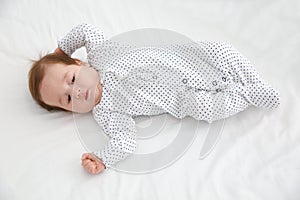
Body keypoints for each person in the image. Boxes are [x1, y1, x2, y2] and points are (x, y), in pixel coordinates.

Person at [28, 23, 280, 175]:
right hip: (186, 98)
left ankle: (251, 80)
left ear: (77, 62)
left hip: (189, 61)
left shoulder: (101, 54)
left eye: (71, 79)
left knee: (219, 50)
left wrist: (58, 52)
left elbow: (85, 29)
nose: (77, 92)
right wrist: (102, 158)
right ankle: (251, 93)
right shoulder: (106, 113)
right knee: (206, 109)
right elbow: (125, 141)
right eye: (67, 99)